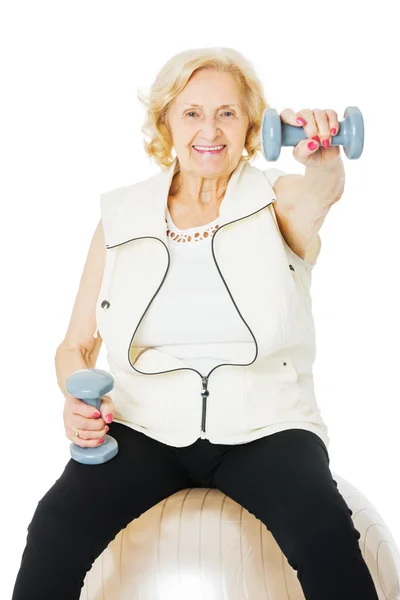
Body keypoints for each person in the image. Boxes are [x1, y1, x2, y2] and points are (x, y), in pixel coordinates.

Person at [12, 46, 379, 600]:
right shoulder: (121, 216)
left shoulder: (277, 200)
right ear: (166, 122)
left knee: (326, 533)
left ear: (252, 125)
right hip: (144, 427)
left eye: (227, 113)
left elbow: (321, 192)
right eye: (192, 113)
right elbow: (75, 345)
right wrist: (74, 400)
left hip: (267, 426)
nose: (210, 129)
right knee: (54, 525)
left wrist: (323, 158)